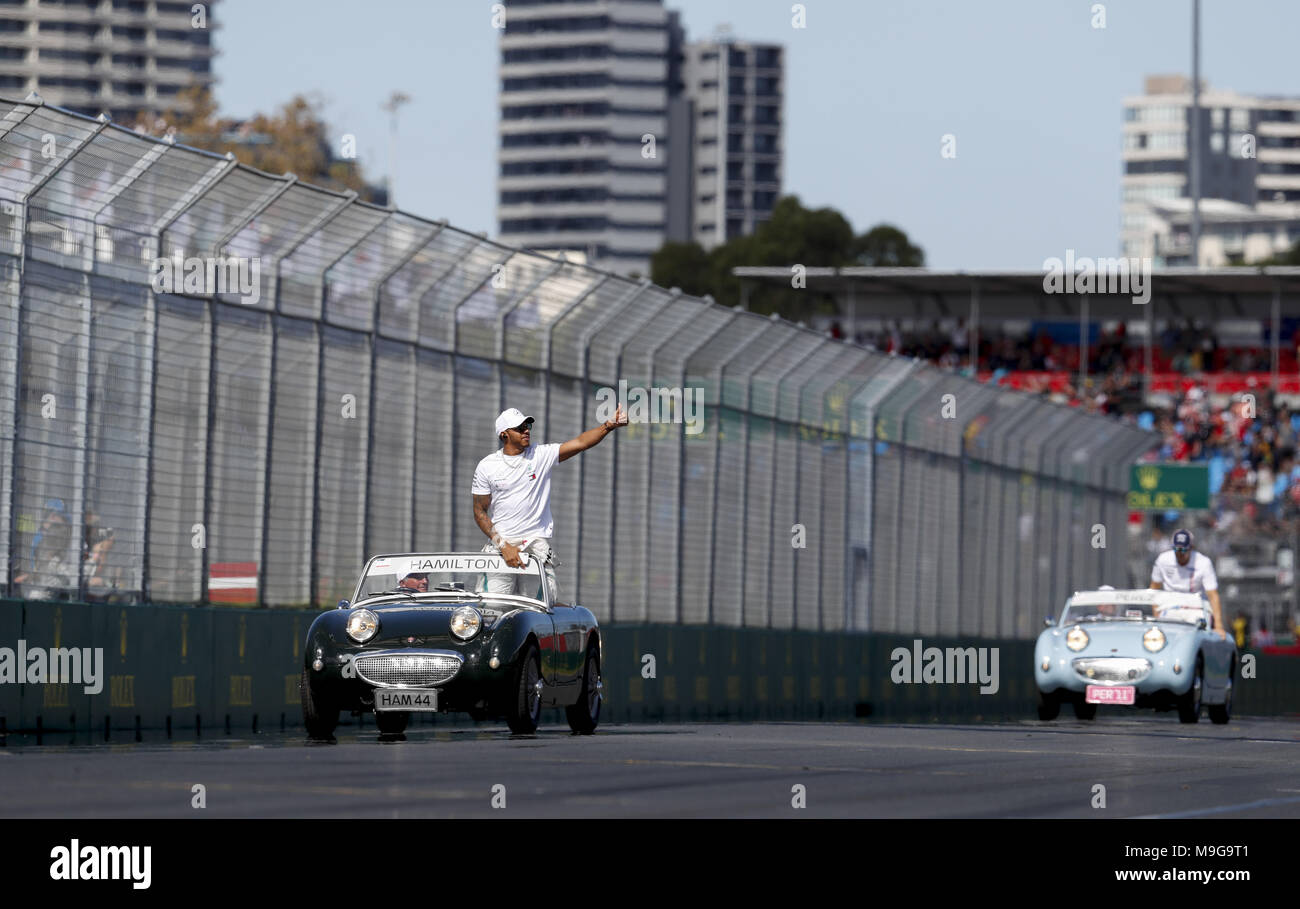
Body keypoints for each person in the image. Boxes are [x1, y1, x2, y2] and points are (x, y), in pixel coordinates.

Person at [472, 404, 627, 602]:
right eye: (520, 428)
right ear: (504, 435)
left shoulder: (540, 454)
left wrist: (608, 425)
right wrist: (503, 546)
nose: (526, 430)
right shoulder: (487, 466)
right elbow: (480, 512)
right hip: (501, 548)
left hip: (535, 546)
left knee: (539, 607)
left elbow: (580, 443)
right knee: (491, 607)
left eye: (528, 425)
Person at [1149, 528, 1226, 638]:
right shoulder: (1163, 560)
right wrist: (1156, 617)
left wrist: (1218, 626)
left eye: (1184, 550)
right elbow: (1154, 589)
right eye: (1176, 549)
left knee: (1199, 634)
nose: (1180, 554)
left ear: (1191, 548)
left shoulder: (1203, 563)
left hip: (1196, 607)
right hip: (1170, 606)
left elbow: (1213, 595)